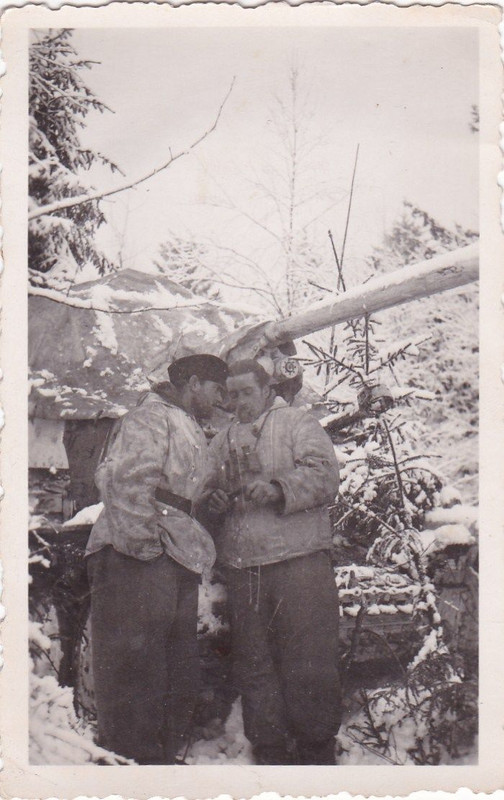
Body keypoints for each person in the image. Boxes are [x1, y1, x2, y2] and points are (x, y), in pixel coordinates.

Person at [86, 353, 229, 764]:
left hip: (172, 553)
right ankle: (130, 763)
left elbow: (183, 494)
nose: (221, 400)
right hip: (139, 554)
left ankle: (158, 763)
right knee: (136, 669)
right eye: (217, 390)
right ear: (195, 382)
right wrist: (144, 548)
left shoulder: (185, 422)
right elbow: (124, 482)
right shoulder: (150, 417)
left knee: (169, 669)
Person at [200, 358, 342, 765]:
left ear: (266, 390)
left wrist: (279, 488)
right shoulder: (221, 440)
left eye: (247, 392)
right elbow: (204, 494)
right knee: (255, 662)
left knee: (309, 660)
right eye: (232, 394)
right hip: (245, 568)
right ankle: (270, 753)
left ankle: (316, 752)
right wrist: (214, 501)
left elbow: (325, 475)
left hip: (299, 560)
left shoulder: (297, 423)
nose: (239, 401)